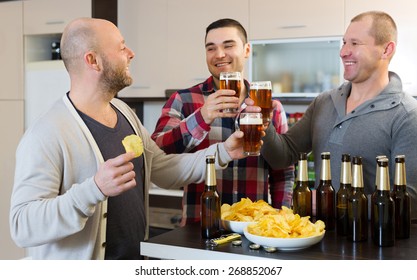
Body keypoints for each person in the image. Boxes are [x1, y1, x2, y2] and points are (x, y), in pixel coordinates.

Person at [9, 18, 248, 260]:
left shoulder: (124, 113)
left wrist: (224, 151)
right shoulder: (46, 133)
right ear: (93, 60)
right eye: (122, 47)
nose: (131, 54)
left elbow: (164, 169)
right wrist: (95, 189)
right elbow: (22, 225)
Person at [256, 11, 417, 220]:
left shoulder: (407, 115)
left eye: (355, 43)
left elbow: (411, 202)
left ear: (386, 49)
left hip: (371, 246)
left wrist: (332, 205)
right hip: (318, 240)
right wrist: (263, 123)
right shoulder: (324, 102)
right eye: (343, 43)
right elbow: (282, 155)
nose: (343, 52)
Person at [151, 18, 294, 225]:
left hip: (253, 227)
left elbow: (283, 173)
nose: (219, 54)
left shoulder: (271, 107)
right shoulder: (183, 100)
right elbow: (158, 154)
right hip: (199, 227)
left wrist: (282, 222)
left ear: (246, 50)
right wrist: (202, 117)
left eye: (228, 45)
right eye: (211, 48)